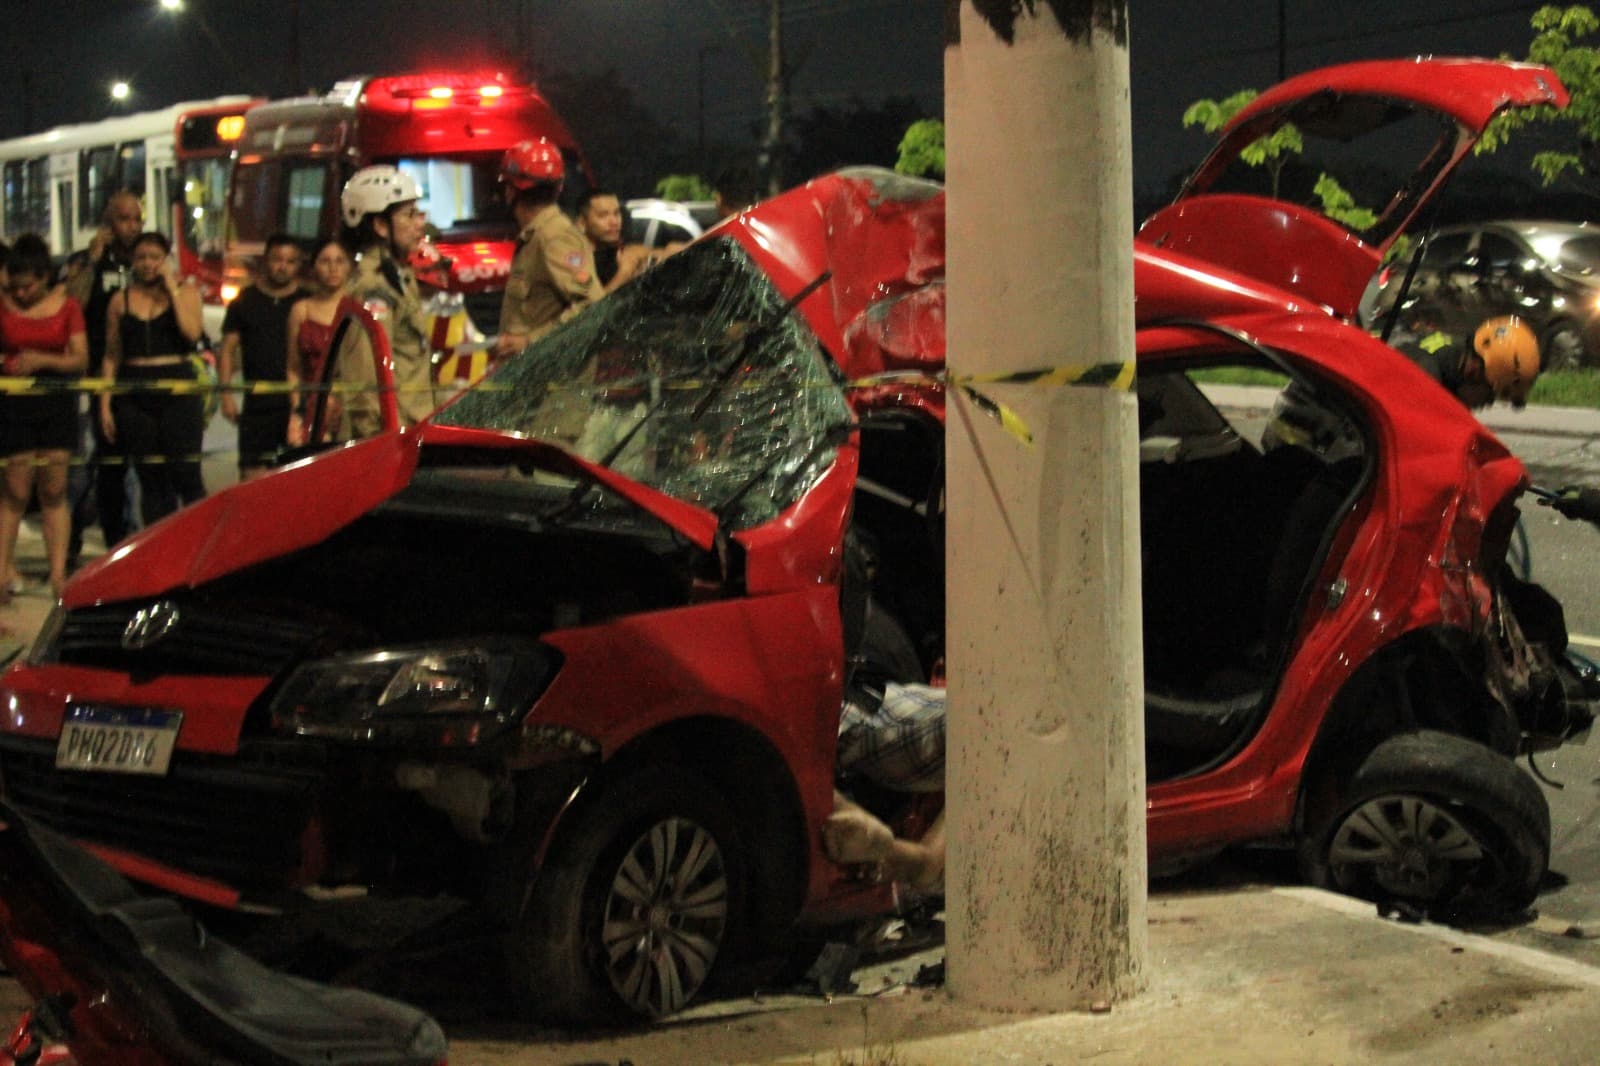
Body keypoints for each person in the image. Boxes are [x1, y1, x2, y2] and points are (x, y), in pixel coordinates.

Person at [0, 235, 87, 600]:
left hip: (56, 404)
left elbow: (80, 359)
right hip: (13, 404)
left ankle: (57, 574)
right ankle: (2, 571)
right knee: (15, 490)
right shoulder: (3, 306)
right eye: (15, 287)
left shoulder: (67, 307)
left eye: (29, 286)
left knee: (54, 489)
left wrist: (43, 360)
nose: (22, 294)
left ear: (45, 276)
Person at [99, 232, 207, 528]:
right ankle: (161, 546)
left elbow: (192, 334)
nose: (148, 264)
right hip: (134, 392)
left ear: (166, 259)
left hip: (177, 388)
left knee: (187, 474)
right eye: (141, 257)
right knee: (151, 478)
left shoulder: (186, 293)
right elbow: (111, 356)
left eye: (155, 257)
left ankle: (198, 542)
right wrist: (105, 403)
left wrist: (172, 288)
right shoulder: (119, 301)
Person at [66, 189, 143, 556]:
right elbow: (71, 304)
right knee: (86, 464)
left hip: (135, 372)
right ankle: (71, 539)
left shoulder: (146, 260)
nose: (131, 227)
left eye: (136, 219)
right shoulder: (89, 260)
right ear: (108, 223)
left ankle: (122, 540)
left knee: (123, 465)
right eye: (123, 219)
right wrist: (94, 260)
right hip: (96, 369)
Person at [334, 165, 439, 434]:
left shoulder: (399, 276)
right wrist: (384, 449)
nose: (420, 224)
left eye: (419, 213)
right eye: (409, 215)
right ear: (380, 225)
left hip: (415, 430)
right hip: (394, 440)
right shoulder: (373, 287)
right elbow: (366, 387)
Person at [493, 138, 602, 358]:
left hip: (553, 386)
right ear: (558, 188)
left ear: (511, 191)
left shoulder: (554, 237)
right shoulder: (538, 236)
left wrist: (529, 342)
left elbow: (591, 305)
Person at [218, 233, 308, 479]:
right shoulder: (245, 301)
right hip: (257, 407)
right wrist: (225, 395)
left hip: (298, 406)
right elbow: (227, 350)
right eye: (277, 259)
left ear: (299, 265)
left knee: (296, 480)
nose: (283, 266)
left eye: (290, 261)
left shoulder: (306, 302)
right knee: (252, 481)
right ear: (266, 260)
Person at [285, 236, 361, 443]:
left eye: (340, 261)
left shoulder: (360, 308)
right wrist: (297, 411)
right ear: (314, 267)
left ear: (350, 267)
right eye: (325, 261)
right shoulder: (301, 310)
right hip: (314, 409)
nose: (333, 268)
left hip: (353, 409)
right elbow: (294, 367)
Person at [1395, 314, 1541, 410]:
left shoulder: (1448, 353)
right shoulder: (1426, 386)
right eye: (1490, 395)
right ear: (1474, 370)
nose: (1488, 405)